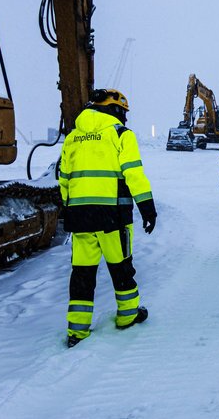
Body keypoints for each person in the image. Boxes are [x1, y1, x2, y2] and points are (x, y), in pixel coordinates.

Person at [58, 88, 157, 347]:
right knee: (121, 267)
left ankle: (77, 330)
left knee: (82, 273)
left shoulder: (73, 137)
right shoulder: (121, 134)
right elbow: (134, 174)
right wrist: (147, 208)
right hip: (113, 216)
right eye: (123, 112)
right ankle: (128, 315)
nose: (125, 118)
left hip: (80, 217)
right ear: (114, 109)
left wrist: (68, 209)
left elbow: (64, 178)